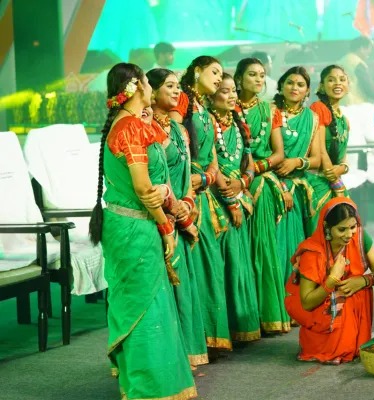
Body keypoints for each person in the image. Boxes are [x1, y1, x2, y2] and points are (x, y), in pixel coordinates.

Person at [89, 63, 196, 399]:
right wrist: (165, 226)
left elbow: (151, 182)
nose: (151, 87)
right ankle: (148, 388)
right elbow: (143, 188)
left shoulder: (131, 123)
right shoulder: (130, 127)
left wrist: (164, 194)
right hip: (135, 228)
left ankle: (144, 383)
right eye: (148, 82)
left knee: (146, 303)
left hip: (131, 224)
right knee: (145, 307)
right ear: (134, 86)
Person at [147, 68, 208, 368]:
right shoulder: (147, 130)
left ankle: (185, 355)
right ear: (152, 92)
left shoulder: (180, 130)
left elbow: (186, 175)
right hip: (161, 219)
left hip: (182, 212)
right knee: (166, 292)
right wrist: (179, 214)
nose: (176, 91)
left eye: (177, 86)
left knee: (184, 291)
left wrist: (188, 202)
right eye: (169, 86)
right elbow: (155, 178)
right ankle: (168, 361)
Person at [284, 198, 374, 364]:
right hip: (320, 312)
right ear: (326, 227)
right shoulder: (312, 252)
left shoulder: (360, 237)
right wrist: (331, 281)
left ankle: (353, 343)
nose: (349, 234)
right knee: (343, 292)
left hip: (348, 301)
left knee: (359, 290)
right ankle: (329, 345)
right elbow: (307, 303)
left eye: (353, 227)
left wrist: (363, 280)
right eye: (341, 229)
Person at [180, 56, 235, 350]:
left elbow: (212, 159)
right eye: (214, 72)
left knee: (211, 266)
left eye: (220, 74)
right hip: (187, 196)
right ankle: (196, 341)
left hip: (204, 192)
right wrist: (190, 183)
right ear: (197, 71)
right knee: (197, 269)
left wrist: (207, 178)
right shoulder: (182, 105)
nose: (218, 78)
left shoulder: (206, 112)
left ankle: (211, 339)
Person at [234, 58, 291, 334]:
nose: (258, 80)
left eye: (262, 75)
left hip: (259, 184)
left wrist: (251, 171)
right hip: (230, 183)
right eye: (252, 75)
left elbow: (279, 154)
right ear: (239, 78)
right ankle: (242, 319)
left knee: (262, 247)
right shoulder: (227, 107)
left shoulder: (270, 111)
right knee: (239, 251)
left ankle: (267, 315)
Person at [207, 73, 262, 342]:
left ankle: (241, 325)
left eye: (233, 91)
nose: (231, 96)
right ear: (211, 95)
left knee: (240, 259)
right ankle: (223, 329)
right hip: (218, 197)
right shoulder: (207, 122)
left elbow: (248, 163)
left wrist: (243, 182)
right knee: (225, 258)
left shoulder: (238, 123)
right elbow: (212, 165)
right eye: (224, 91)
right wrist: (230, 199)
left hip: (238, 193)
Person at [273, 66, 322, 283]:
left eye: (300, 85)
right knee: (275, 247)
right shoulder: (270, 112)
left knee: (297, 246)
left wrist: (296, 162)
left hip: (299, 189)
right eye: (290, 83)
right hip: (272, 185)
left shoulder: (312, 118)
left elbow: (317, 159)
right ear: (281, 86)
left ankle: (296, 296)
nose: (295, 88)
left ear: (307, 91)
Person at [307, 65, 352, 233]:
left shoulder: (344, 120)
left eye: (342, 79)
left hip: (335, 180)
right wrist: (334, 180)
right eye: (331, 80)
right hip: (317, 181)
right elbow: (319, 149)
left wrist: (343, 168)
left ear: (348, 85)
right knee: (322, 232)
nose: (337, 83)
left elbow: (343, 156)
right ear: (321, 86)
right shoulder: (318, 108)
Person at [338, 36, 374, 105]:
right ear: (362, 48)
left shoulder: (341, 61)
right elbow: (369, 89)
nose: (369, 52)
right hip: (354, 105)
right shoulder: (357, 63)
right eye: (369, 49)